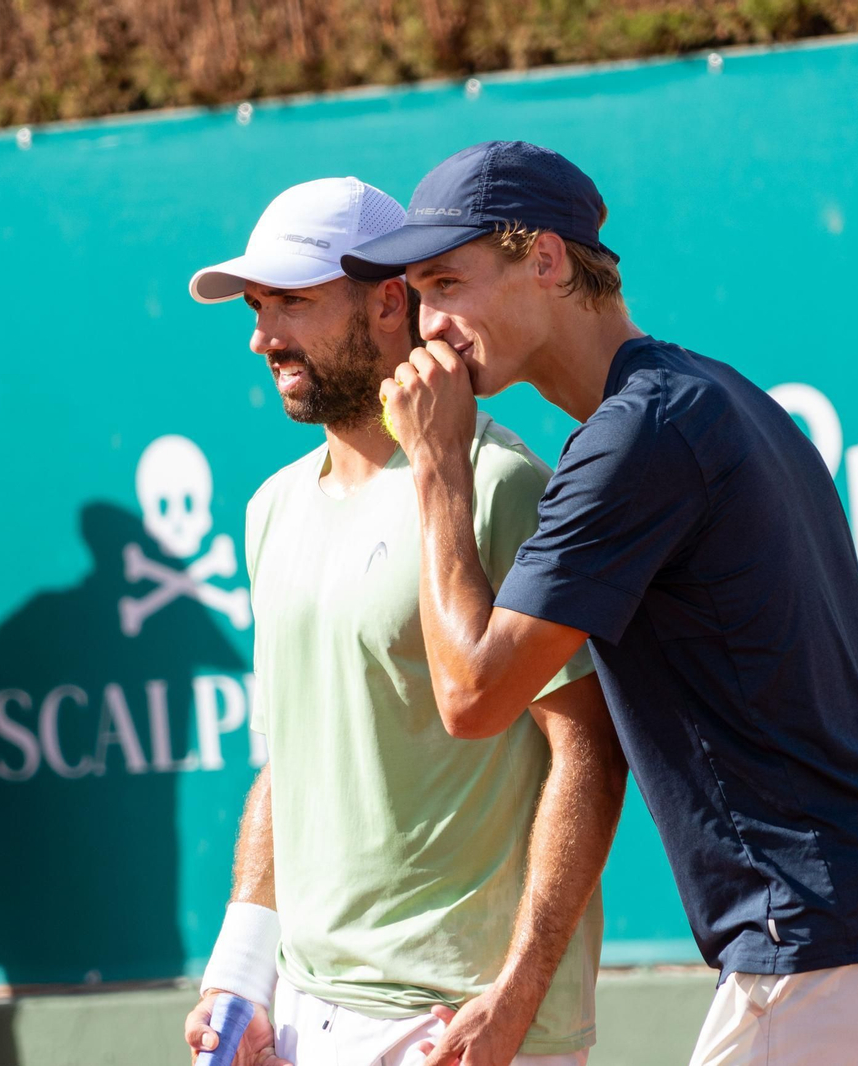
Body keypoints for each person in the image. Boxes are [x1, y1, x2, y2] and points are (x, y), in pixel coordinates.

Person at [346, 142, 858, 1066]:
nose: (429, 325)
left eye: (447, 282)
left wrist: (441, 468)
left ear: (546, 259)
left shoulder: (636, 437)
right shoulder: (725, 397)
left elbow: (473, 697)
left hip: (830, 940)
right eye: (417, 294)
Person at [180, 178, 628, 1066]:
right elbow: (292, 763)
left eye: (295, 304)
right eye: (259, 307)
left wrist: (520, 995)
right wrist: (242, 973)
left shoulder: (500, 486)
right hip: (308, 1013)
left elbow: (589, 753)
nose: (264, 336)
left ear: (391, 302)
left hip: (465, 1026)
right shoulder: (271, 509)